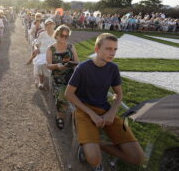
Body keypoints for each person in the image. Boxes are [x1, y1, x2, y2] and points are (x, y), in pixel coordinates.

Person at [65, 33, 144, 171]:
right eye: (108, 48)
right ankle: (90, 147)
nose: (112, 53)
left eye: (115, 49)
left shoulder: (113, 68)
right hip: (84, 111)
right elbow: (69, 94)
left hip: (106, 111)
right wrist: (91, 114)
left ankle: (99, 144)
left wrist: (112, 112)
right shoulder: (83, 68)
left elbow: (119, 94)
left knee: (138, 158)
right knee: (95, 159)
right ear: (97, 49)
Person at [46, 25, 79, 129]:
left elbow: (77, 62)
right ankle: (60, 115)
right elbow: (48, 65)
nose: (64, 38)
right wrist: (57, 66)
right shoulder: (51, 49)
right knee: (63, 91)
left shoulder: (71, 47)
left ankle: (80, 115)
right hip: (58, 76)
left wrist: (73, 65)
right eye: (62, 35)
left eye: (66, 36)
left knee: (85, 89)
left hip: (71, 75)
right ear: (57, 35)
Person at [32, 18, 56, 89]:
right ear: (45, 26)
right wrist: (36, 49)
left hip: (53, 54)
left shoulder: (56, 34)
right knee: (40, 64)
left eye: (50, 24)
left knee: (53, 63)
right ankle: (41, 82)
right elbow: (37, 44)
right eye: (47, 25)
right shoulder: (42, 34)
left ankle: (54, 81)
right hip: (42, 53)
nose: (49, 26)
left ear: (53, 25)